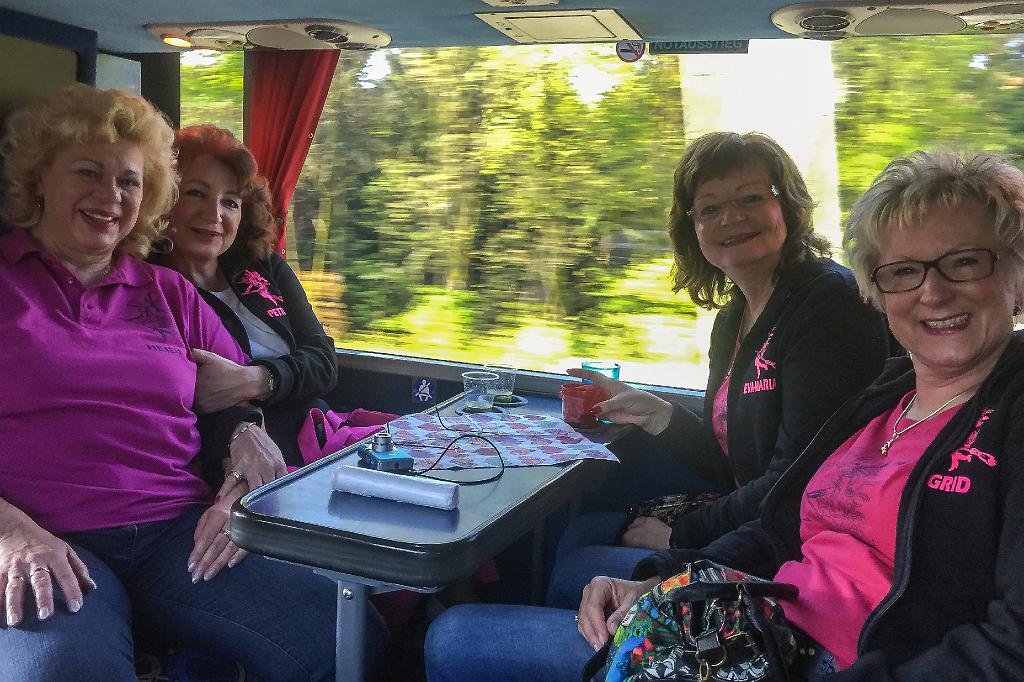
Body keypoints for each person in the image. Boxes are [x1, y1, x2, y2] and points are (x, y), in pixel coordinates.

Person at [427, 149, 1024, 680]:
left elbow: (1006, 648)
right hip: (762, 615)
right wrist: (663, 579)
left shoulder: (997, 411)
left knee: (458, 638)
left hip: (830, 655)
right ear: (881, 288)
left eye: (965, 262)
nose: (932, 292)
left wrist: (682, 538)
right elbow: (779, 523)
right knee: (581, 573)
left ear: (1015, 270)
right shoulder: (884, 399)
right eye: (904, 272)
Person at [0, 84, 381, 680]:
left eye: (129, 182)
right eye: (87, 173)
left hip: (176, 532)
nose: (110, 196)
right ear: (38, 179)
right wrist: (11, 534)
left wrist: (238, 480)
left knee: (343, 634)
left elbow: (230, 411)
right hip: (44, 534)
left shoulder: (170, 293)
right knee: (64, 670)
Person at [546, 131, 892, 608]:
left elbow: (801, 479)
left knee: (575, 569)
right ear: (693, 227)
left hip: (796, 540)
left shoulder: (829, 304)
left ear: (787, 206)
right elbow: (733, 461)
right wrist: (658, 414)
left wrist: (680, 536)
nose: (731, 218)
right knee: (578, 532)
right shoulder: (733, 319)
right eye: (709, 209)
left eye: (751, 198)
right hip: (754, 514)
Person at [151, 124, 338, 467]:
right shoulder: (152, 288)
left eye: (230, 202)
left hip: (321, 436)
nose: (214, 215)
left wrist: (256, 379)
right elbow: (187, 399)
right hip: (241, 458)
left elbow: (324, 361)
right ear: (163, 200)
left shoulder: (264, 266)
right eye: (196, 193)